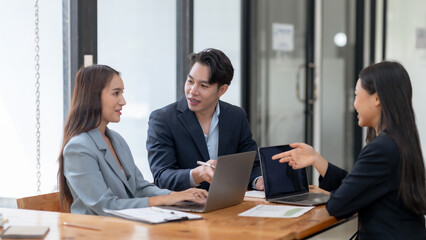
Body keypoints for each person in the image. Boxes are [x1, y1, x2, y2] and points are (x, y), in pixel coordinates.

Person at [272, 61, 426, 239]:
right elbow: (359, 187)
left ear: (377, 98)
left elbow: (339, 205)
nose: (354, 104)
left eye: (356, 95)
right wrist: (316, 159)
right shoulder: (398, 140)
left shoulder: (382, 149)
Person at [58, 65, 207, 215]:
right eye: (116, 93)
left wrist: (176, 196)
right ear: (93, 96)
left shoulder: (117, 140)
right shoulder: (78, 148)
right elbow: (105, 205)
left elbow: (140, 188)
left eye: (122, 93)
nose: (123, 101)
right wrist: (164, 200)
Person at [147, 48, 263, 191]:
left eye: (203, 86)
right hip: (184, 208)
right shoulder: (163, 119)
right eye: (190, 81)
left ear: (222, 90)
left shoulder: (236, 116)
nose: (192, 91)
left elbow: (252, 164)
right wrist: (197, 174)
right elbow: (161, 176)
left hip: (228, 204)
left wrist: (258, 181)